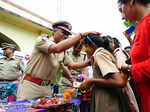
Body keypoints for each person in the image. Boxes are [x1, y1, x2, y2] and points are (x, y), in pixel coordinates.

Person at [16, 21, 87, 101]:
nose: (65, 36)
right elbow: (56, 48)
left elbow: (73, 65)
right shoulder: (42, 40)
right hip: (31, 86)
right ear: (54, 31)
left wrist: (89, 62)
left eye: (67, 34)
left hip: (47, 88)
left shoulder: (63, 51)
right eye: (63, 32)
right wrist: (80, 35)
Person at [78, 33, 131, 112]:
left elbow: (119, 82)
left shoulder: (99, 54)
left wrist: (91, 80)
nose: (85, 50)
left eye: (86, 46)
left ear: (93, 46)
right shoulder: (100, 54)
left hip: (108, 102)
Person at [118, 0, 150, 112]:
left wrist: (129, 68)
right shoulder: (141, 25)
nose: (122, 17)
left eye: (121, 10)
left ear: (131, 2)